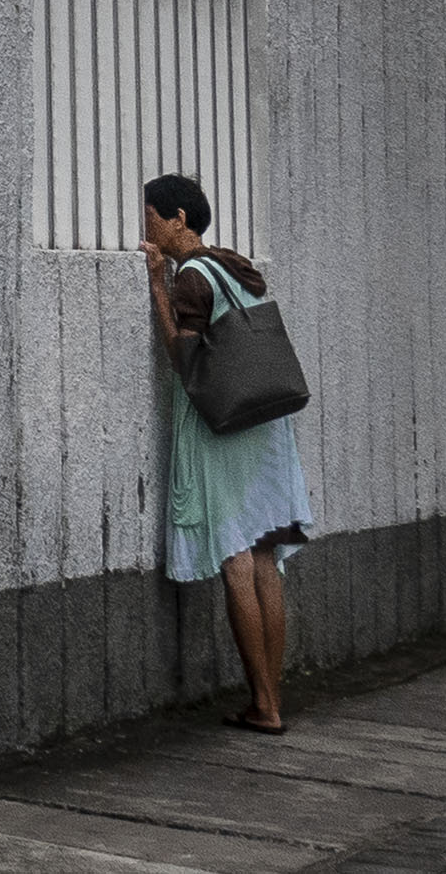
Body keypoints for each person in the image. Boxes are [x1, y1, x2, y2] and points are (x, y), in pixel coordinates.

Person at [145, 171, 312, 732]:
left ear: (177, 221)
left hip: (225, 425)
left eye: (150, 218)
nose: (146, 229)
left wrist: (155, 285)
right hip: (266, 422)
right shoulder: (231, 263)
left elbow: (184, 360)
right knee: (265, 560)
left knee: (236, 560)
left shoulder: (190, 277)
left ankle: (263, 705)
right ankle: (270, 702)